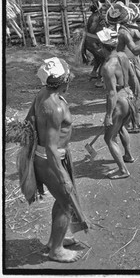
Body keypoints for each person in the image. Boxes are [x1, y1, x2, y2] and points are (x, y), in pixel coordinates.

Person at [17, 57, 88, 263]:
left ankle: (54, 240)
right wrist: (63, 176)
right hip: (50, 159)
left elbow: (30, 123)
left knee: (62, 200)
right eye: (69, 77)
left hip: (49, 157)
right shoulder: (54, 107)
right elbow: (50, 146)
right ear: (64, 80)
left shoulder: (43, 94)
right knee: (66, 202)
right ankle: (56, 250)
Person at [106, 2, 140, 127]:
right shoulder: (123, 32)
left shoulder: (125, 28)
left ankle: (131, 119)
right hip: (126, 62)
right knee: (132, 90)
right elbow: (134, 49)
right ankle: (128, 122)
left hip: (127, 60)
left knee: (137, 85)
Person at [100, 35, 140, 179]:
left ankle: (123, 170)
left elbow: (112, 93)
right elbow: (132, 76)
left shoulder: (107, 67)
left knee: (109, 138)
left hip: (119, 101)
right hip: (129, 95)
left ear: (103, 47)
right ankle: (128, 155)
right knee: (121, 126)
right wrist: (135, 96)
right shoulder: (123, 56)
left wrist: (108, 116)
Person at [81, 0, 107, 88]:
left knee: (98, 58)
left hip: (90, 41)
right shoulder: (95, 17)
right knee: (104, 58)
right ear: (98, 9)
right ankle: (99, 80)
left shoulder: (94, 16)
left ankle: (93, 72)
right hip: (92, 42)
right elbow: (92, 29)